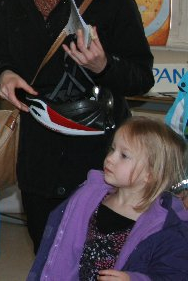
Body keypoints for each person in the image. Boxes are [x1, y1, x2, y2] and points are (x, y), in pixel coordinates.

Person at [0, 0, 155, 252]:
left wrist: (103, 66)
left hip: (97, 157)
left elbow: (142, 77)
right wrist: (4, 76)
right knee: (45, 252)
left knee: (92, 258)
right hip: (37, 153)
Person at [28, 116, 188, 280]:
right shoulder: (87, 197)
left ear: (151, 174)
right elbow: (56, 251)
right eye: (112, 149)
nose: (110, 158)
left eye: (124, 155)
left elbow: (173, 275)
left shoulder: (166, 226)